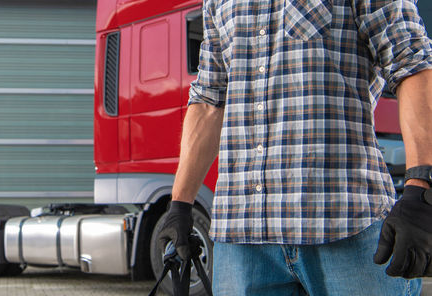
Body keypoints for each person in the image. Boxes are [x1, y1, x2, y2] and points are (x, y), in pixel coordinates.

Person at [158, 0, 432, 295]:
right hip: (242, 238)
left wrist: (421, 187)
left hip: (346, 225)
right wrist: (181, 204)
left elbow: (411, 63)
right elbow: (209, 98)